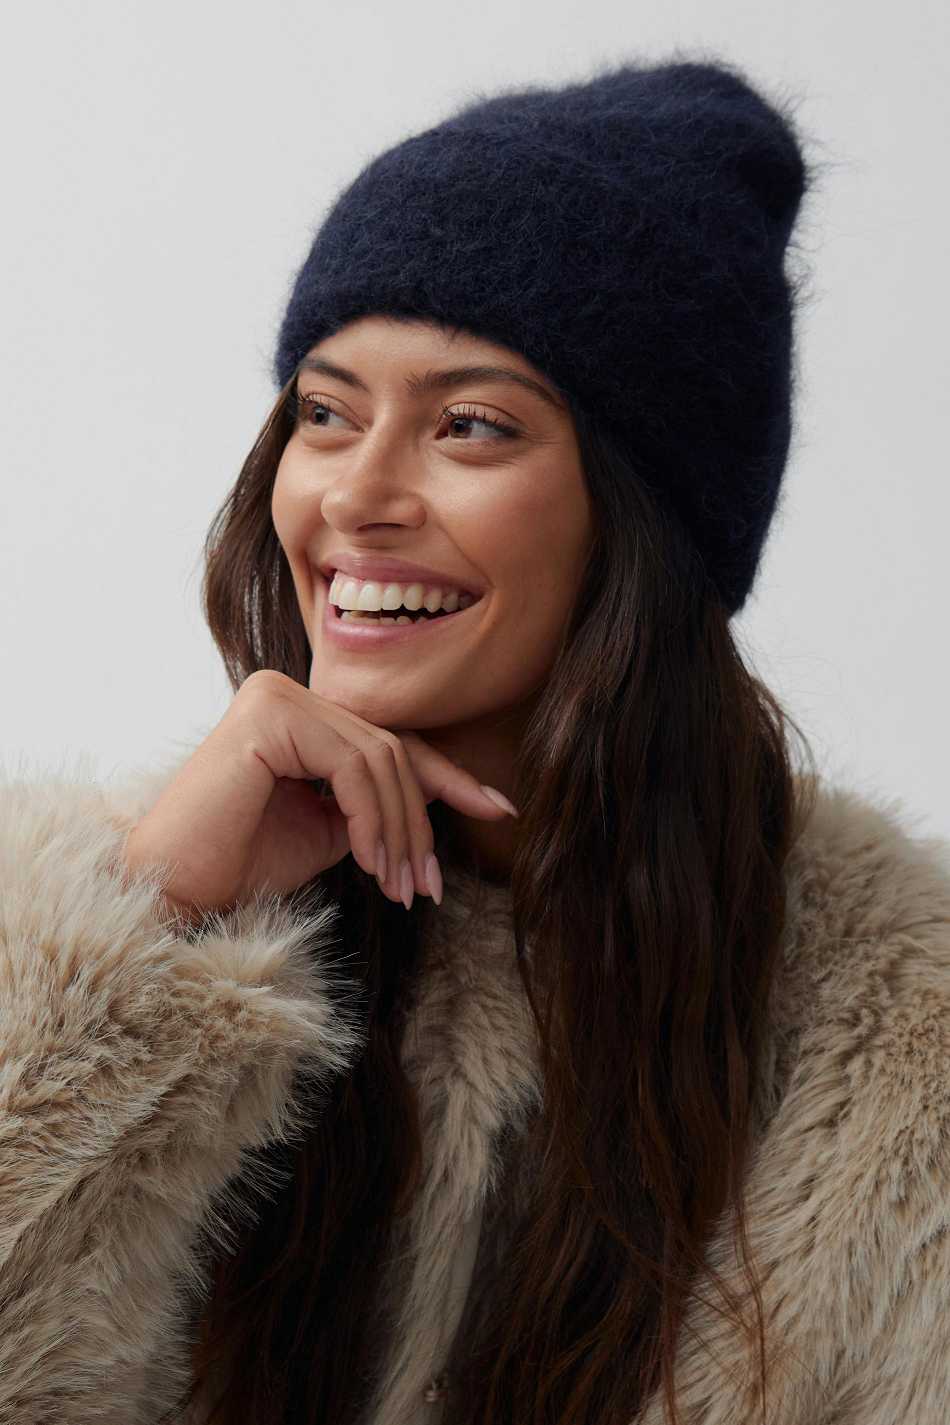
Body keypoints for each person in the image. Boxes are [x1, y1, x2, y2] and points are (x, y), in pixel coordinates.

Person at [2, 52, 949, 1425]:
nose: (356, 495)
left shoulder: (902, 1051)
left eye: (470, 425)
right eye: (325, 412)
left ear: (643, 514)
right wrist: (154, 927)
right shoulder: (167, 902)